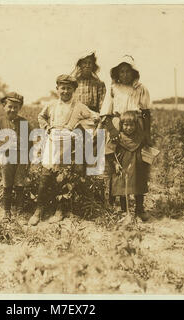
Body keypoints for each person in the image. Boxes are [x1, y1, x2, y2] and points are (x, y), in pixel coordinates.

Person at [28, 75, 100, 226]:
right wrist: (47, 127)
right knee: (46, 175)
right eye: (63, 88)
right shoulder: (52, 105)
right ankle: (39, 209)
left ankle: (60, 210)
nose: (65, 91)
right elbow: (41, 116)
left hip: (68, 143)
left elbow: (95, 118)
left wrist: (79, 126)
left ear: (74, 90)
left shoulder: (79, 106)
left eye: (69, 88)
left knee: (63, 177)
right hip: (52, 140)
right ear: (57, 89)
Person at [99, 55, 153, 208]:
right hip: (118, 126)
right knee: (117, 165)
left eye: (128, 71)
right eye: (121, 72)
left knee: (138, 166)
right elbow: (105, 113)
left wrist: (146, 135)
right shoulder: (113, 88)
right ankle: (119, 204)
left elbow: (146, 112)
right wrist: (113, 131)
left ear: (134, 73)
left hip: (136, 127)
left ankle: (139, 207)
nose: (125, 75)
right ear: (117, 73)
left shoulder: (140, 88)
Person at [0, 92, 32, 220]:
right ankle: (7, 211)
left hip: (21, 157)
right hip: (6, 157)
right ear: (4, 106)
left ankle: (19, 210)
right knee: (7, 185)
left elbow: (29, 142)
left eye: (15, 107)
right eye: (10, 106)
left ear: (19, 108)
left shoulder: (24, 122)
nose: (12, 109)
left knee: (20, 184)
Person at [110, 111, 150, 221]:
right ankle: (125, 211)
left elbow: (146, 149)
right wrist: (116, 164)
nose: (129, 128)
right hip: (123, 166)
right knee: (124, 188)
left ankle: (139, 210)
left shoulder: (140, 137)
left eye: (131, 125)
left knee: (139, 187)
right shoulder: (118, 137)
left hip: (138, 166)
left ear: (136, 125)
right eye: (126, 125)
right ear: (121, 125)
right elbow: (110, 152)